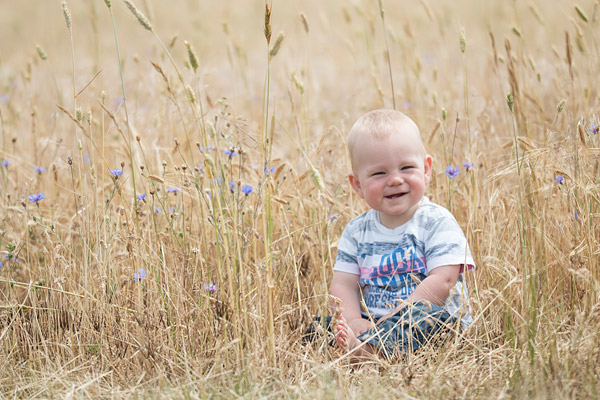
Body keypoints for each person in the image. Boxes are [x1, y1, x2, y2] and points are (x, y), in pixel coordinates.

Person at [329, 109, 475, 361]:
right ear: (357, 185)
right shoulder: (356, 231)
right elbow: (343, 284)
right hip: (371, 322)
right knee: (320, 326)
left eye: (407, 167)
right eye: (379, 173)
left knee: (427, 323)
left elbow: (444, 280)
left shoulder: (436, 221)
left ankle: (364, 354)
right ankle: (358, 343)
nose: (395, 180)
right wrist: (354, 321)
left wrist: (396, 318)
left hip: (426, 319)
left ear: (426, 169)